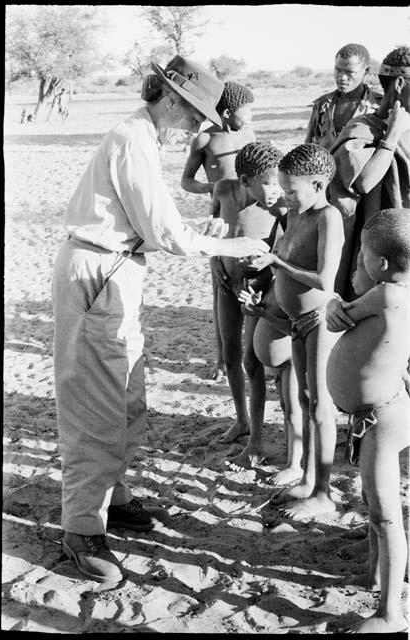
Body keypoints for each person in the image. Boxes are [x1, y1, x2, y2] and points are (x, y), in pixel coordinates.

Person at [52, 55, 270, 586]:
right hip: (100, 270)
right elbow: (165, 233)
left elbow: (155, 225)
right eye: (196, 112)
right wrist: (233, 241)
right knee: (97, 402)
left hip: (116, 268)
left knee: (126, 395)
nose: (200, 125)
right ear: (171, 99)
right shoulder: (133, 139)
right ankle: (82, 528)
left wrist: (206, 233)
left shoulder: (145, 138)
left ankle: (114, 497)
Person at [248, 143, 344, 519]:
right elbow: (284, 260)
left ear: (318, 184)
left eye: (290, 190)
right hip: (295, 323)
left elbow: (323, 278)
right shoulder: (295, 214)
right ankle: (306, 479)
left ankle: (323, 491)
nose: (284, 196)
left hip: (319, 320)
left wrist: (276, 262)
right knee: (304, 400)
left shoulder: (327, 217)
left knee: (320, 406)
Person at [326, 209, 410, 634]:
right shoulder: (393, 293)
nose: (357, 266)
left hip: (383, 418)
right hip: (376, 414)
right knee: (374, 504)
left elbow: (344, 309)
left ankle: (390, 614)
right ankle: (378, 576)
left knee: (386, 516)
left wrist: (333, 305)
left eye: (361, 258)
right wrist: (334, 308)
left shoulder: (390, 294)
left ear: (380, 265)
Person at [208, 141, 287, 466]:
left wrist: (267, 271)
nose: (273, 189)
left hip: (257, 290)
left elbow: (288, 247)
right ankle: (241, 420)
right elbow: (215, 228)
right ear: (244, 181)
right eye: (266, 182)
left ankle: (256, 438)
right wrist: (214, 258)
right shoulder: (223, 189)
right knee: (229, 352)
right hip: (225, 281)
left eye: (277, 182)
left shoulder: (278, 205)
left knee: (253, 363)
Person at [181, 81, 256, 381]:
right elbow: (186, 180)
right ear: (227, 112)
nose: (250, 117)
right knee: (220, 288)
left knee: (250, 285)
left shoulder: (248, 134)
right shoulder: (204, 141)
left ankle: (252, 355)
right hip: (220, 218)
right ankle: (223, 359)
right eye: (246, 111)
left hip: (249, 214)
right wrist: (213, 188)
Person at [329, 45, 410, 300]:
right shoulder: (362, 129)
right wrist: (392, 136)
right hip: (374, 253)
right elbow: (362, 183)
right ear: (399, 83)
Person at [238, 272, 303, 484]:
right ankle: (291, 457)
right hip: (278, 364)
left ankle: (295, 466)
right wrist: (253, 306)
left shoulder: (292, 287)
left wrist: (264, 314)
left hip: (292, 360)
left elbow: (294, 328)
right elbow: (251, 311)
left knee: (294, 411)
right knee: (286, 407)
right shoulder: (275, 283)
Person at [305, 43, 380, 151]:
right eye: (338, 70)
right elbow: (308, 145)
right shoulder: (322, 104)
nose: (342, 77)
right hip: (325, 167)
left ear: (366, 71)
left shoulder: (379, 106)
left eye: (350, 72)